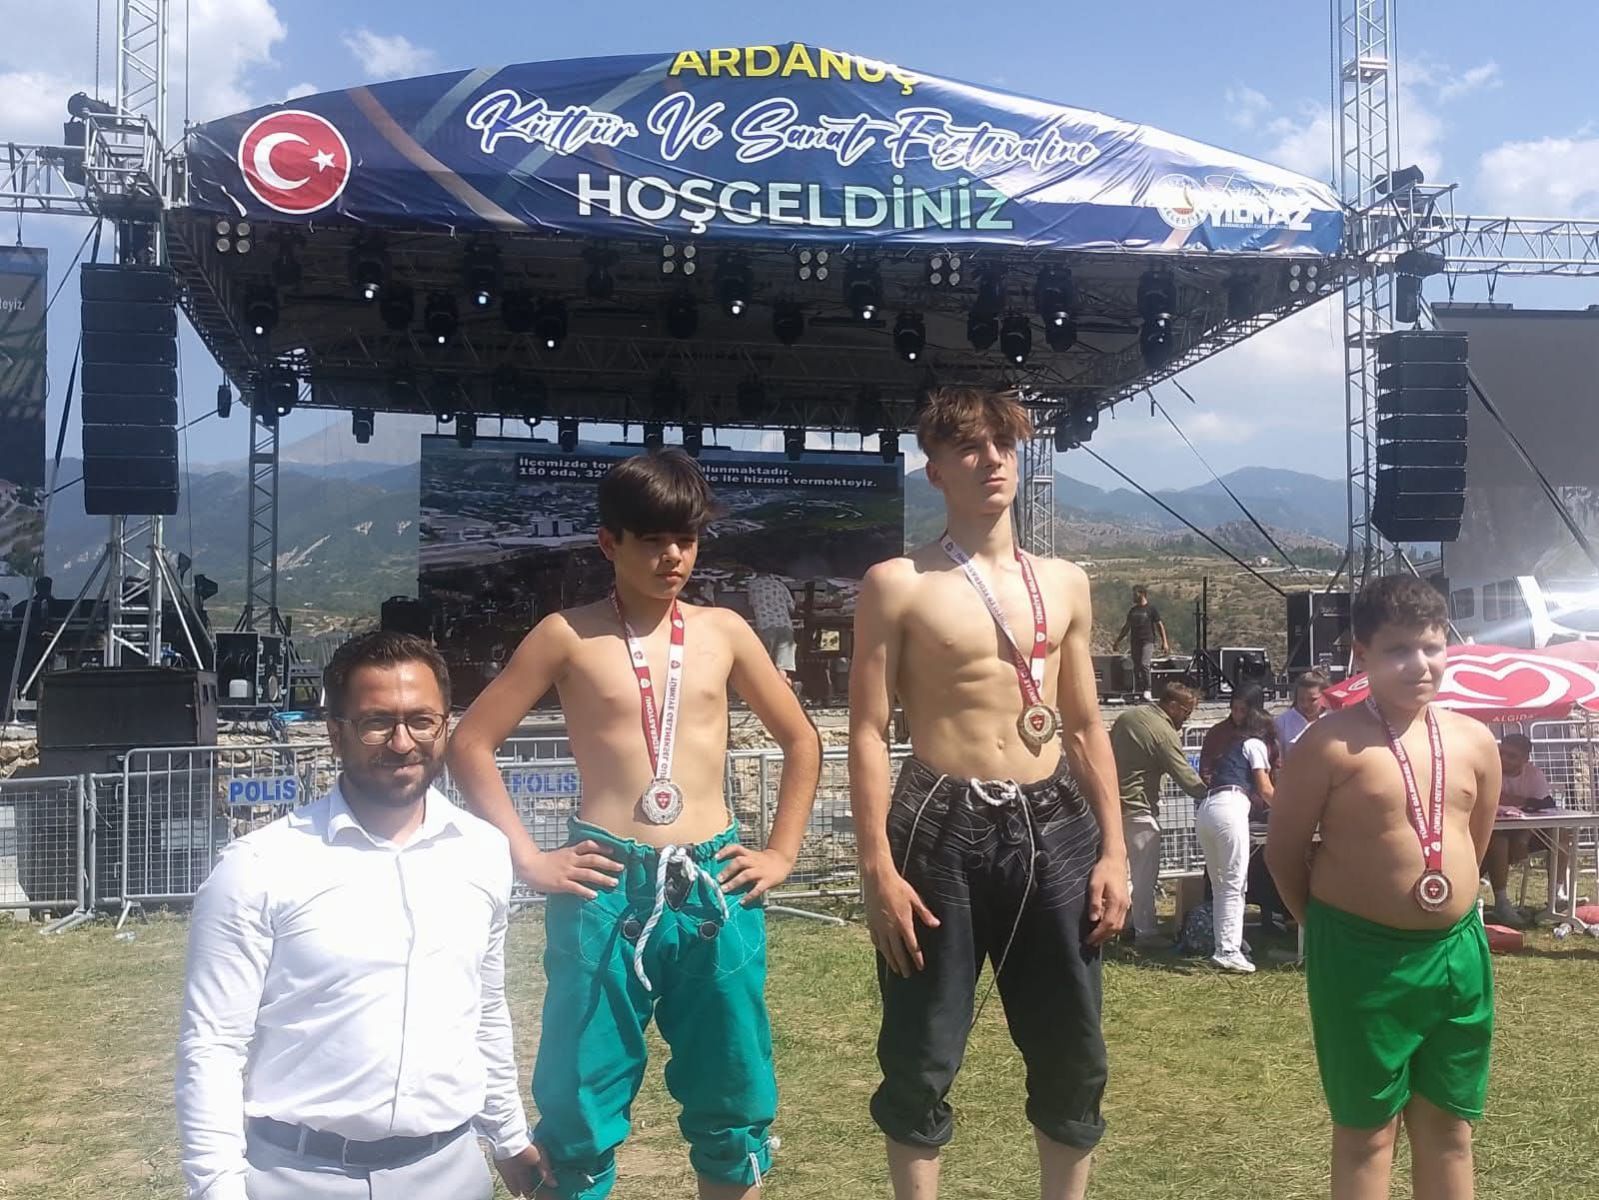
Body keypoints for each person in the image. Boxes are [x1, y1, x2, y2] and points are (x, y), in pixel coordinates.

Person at [448, 449, 821, 1200]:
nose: (672, 556)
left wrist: (781, 852)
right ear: (608, 543)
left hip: (713, 883)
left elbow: (801, 740)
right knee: (580, 1095)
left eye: (685, 538)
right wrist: (529, 858)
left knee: (733, 1090)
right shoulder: (566, 634)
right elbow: (469, 742)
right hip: (606, 884)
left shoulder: (724, 631)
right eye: (652, 540)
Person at [848, 386, 1128, 1200]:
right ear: (933, 469)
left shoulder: (1066, 582)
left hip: (1054, 819)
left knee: (1073, 1048)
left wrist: (1113, 851)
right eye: (969, 446)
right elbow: (867, 729)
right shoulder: (897, 583)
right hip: (939, 818)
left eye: (1003, 444)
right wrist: (876, 868)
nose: (991, 460)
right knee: (920, 1047)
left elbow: (1085, 725)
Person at [175, 631, 546, 1200]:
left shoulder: (484, 853)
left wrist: (508, 1135)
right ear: (335, 734)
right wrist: (216, 1190)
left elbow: (485, 1011)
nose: (402, 742)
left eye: (422, 721)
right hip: (298, 1177)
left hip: (451, 1171)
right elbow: (212, 1044)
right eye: (376, 723)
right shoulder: (258, 868)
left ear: (445, 726)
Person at [1266, 575, 1500, 1200]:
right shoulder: (1329, 744)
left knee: (1451, 1126)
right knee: (1367, 1132)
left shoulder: (1474, 740)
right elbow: (1284, 852)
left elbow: (1475, 841)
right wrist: (1327, 929)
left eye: (1432, 647)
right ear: (1361, 654)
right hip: (1359, 959)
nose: (1419, 664)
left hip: (1455, 955)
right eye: (1398, 649)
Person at [1110, 681, 1207, 945]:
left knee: (1117, 872)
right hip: (1139, 808)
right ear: (1172, 706)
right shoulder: (1163, 732)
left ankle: (1120, 923)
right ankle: (1146, 932)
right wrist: (1215, 794)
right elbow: (1185, 777)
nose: (1187, 719)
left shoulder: (1128, 717)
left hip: (1111, 807)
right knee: (1144, 877)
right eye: (1186, 712)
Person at [1198, 705, 1275, 972]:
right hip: (1230, 807)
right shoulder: (1256, 744)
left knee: (1221, 885)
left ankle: (1224, 946)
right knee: (1234, 883)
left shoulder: (1231, 747)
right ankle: (1229, 950)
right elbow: (1265, 788)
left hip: (1207, 809)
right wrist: (1292, 813)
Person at [1482, 733, 1561, 927]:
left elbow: (1547, 806)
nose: (1504, 759)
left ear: (1525, 759)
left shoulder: (1533, 774)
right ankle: (1501, 902)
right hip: (1492, 832)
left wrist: (1524, 835)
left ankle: (1557, 897)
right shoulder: (1488, 769)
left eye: (1512, 756)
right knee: (1498, 840)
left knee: (1561, 835)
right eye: (1502, 752)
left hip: (1527, 831)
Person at [1199, 684, 1275, 784]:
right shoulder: (1217, 733)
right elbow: (1206, 768)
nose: (1238, 715)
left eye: (1243, 710)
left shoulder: (1266, 730)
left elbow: (1276, 765)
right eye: (1234, 709)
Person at [1112, 585, 1169, 698]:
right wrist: (1118, 641)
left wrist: (1165, 642)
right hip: (1135, 641)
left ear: (1142, 594)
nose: (1133, 596)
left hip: (1147, 641)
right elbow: (1126, 627)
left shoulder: (1151, 609)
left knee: (1144, 664)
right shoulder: (1133, 611)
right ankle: (1138, 690)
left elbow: (1159, 625)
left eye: (1135, 594)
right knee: (1137, 666)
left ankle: (1148, 689)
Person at [746, 572, 798, 687]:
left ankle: (769, 689)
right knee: (782, 667)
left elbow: (750, 604)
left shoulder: (752, 586)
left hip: (766, 626)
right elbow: (792, 607)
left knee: (766, 665)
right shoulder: (780, 585)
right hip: (785, 626)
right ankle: (782, 688)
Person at [1274, 669, 1329, 762]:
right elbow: (1278, 760)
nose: (1305, 704)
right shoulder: (1283, 722)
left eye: (1312, 700)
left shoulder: (1333, 719)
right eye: (1301, 699)